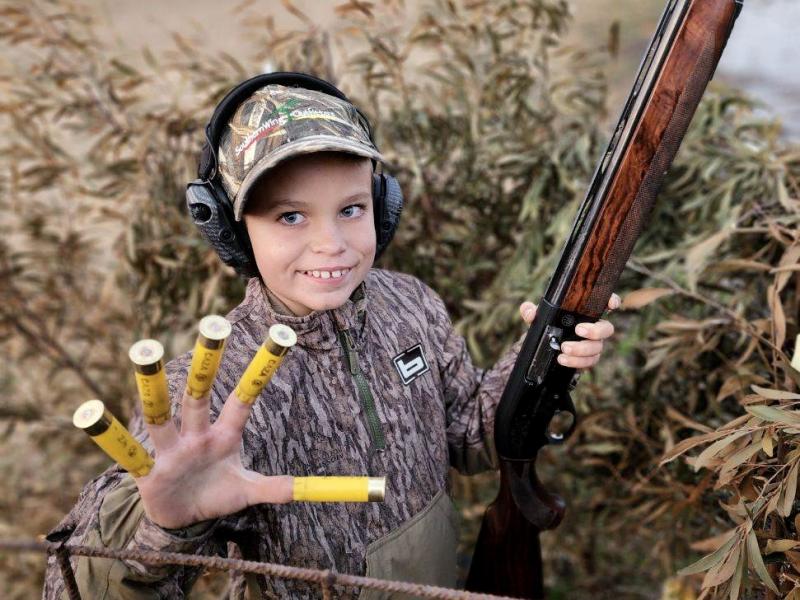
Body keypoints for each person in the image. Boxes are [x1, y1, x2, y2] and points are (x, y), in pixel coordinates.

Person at [43, 72, 619, 599]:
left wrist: (546, 352)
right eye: (290, 216)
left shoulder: (410, 304)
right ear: (232, 232)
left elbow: (471, 434)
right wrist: (162, 527)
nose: (332, 244)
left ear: (383, 209)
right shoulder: (210, 394)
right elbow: (80, 587)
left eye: (351, 208)